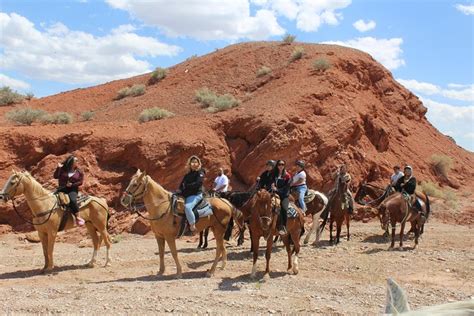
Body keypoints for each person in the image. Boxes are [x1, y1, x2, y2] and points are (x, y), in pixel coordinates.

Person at [177, 155, 208, 233]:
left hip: (196, 194)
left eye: (195, 162)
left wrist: (186, 186)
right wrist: (180, 190)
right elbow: (182, 184)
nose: (194, 164)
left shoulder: (200, 172)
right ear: (189, 164)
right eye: (192, 162)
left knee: (187, 207)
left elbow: (198, 183)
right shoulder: (187, 174)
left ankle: (192, 225)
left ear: (198, 163)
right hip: (186, 194)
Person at [54, 155, 85, 226]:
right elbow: (55, 176)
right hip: (61, 189)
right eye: (76, 161)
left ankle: (78, 217)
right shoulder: (62, 169)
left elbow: (80, 182)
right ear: (72, 162)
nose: (77, 162)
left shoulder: (79, 172)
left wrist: (72, 185)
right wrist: (58, 168)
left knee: (73, 200)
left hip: (72, 190)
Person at [271, 160, 292, 236]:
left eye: (282, 164)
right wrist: (272, 185)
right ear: (277, 165)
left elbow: (286, 188)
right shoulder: (274, 174)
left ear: (284, 166)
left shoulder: (287, 176)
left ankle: (283, 227)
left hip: (284, 195)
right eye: (279, 164)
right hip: (274, 193)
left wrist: (277, 190)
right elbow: (272, 181)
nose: (281, 166)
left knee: (284, 208)